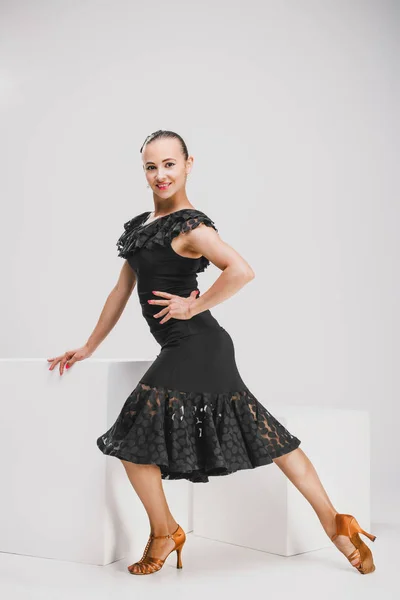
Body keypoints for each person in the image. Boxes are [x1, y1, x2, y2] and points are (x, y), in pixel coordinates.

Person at [47, 130, 377, 576]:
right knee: (266, 434)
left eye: (169, 164)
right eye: (151, 166)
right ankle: (336, 522)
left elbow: (241, 270)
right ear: (143, 170)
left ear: (188, 164)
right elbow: (121, 291)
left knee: (133, 440)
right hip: (194, 346)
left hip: (198, 344)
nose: (160, 174)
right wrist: (89, 345)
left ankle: (165, 533)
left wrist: (194, 304)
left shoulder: (191, 226)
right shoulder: (143, 228)